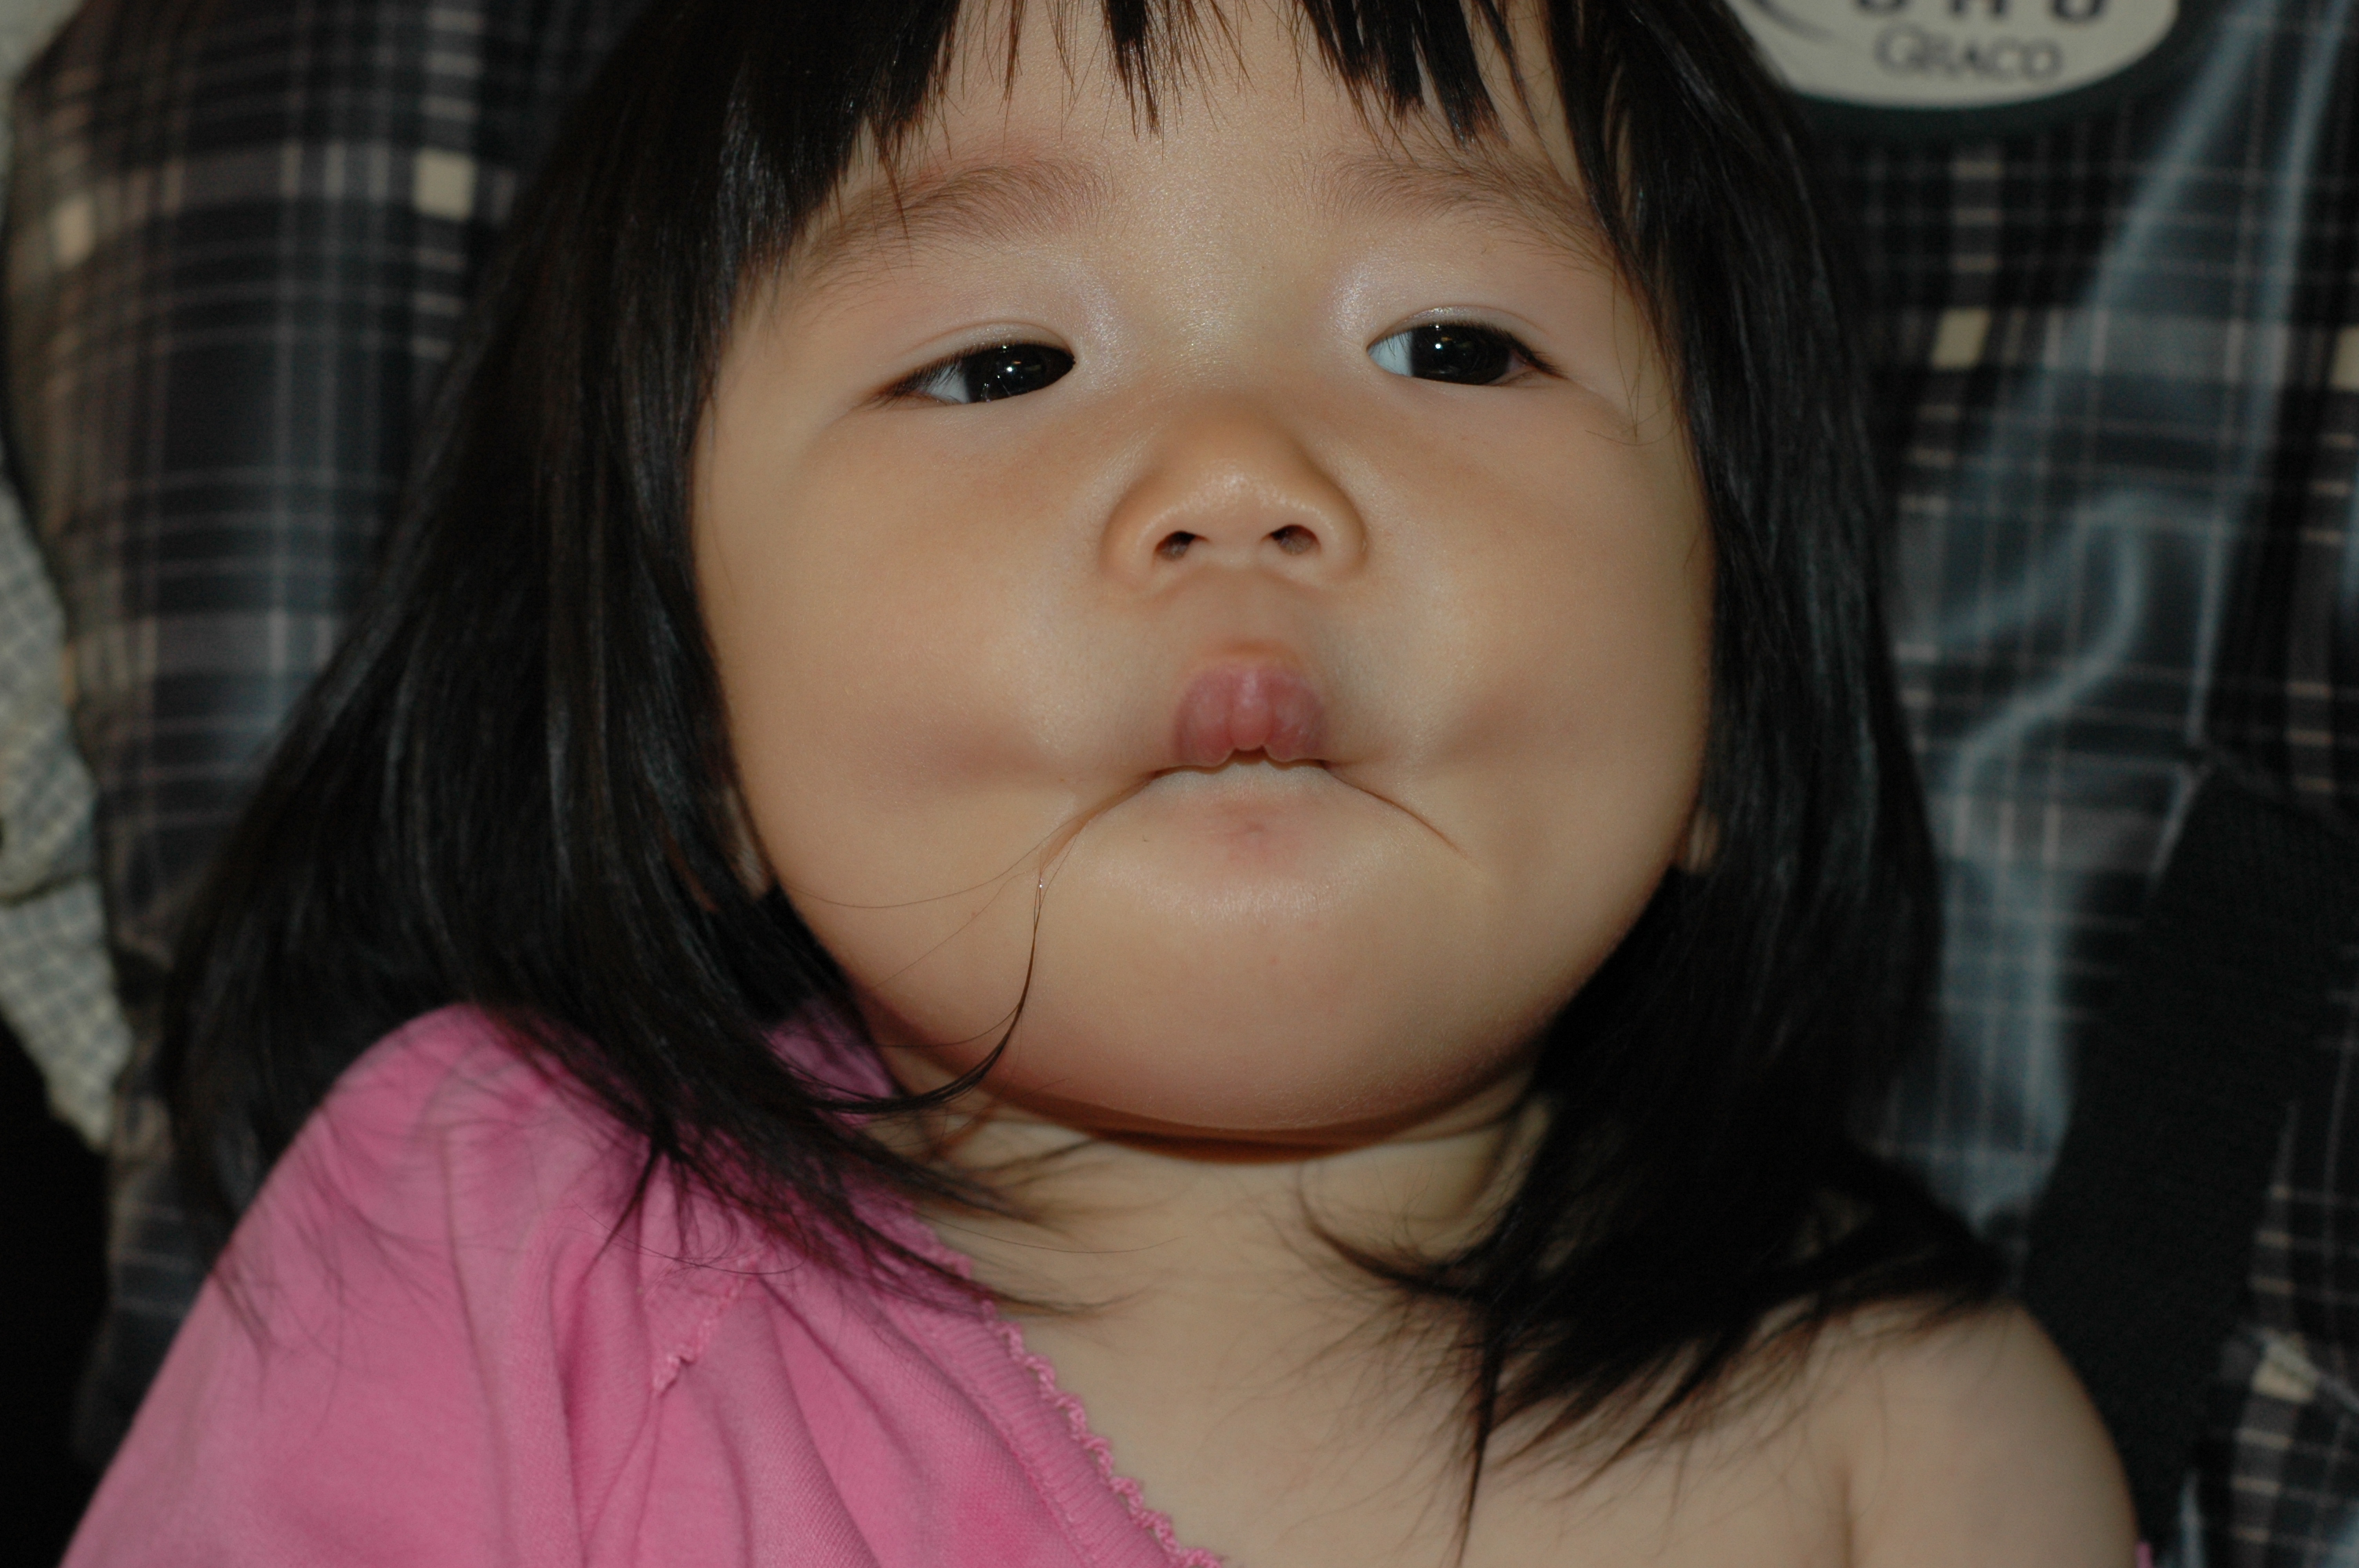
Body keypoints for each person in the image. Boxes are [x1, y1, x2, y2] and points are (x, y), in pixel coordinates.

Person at [60, 1, 2138, 1563]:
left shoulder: (1912, 1440)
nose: (1240, 476)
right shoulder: (495, 1234)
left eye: (1451, 347)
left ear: (1734, 678)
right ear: (689, 727)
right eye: (998, 366)